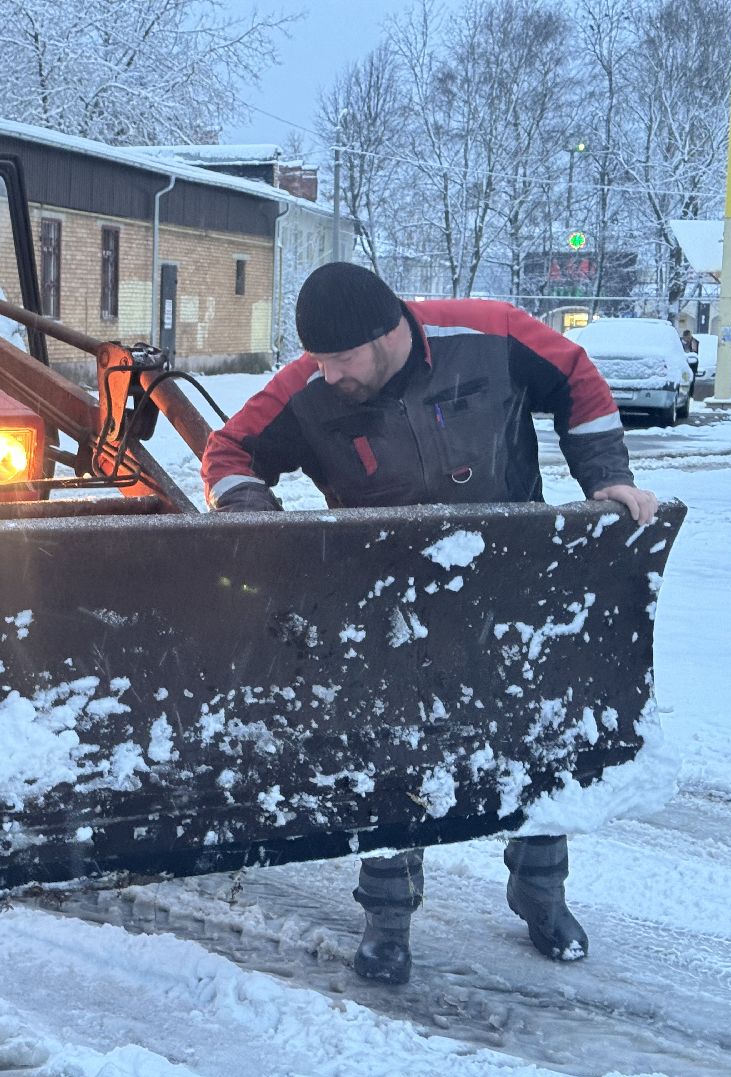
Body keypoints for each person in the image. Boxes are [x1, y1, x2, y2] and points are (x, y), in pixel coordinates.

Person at [201, 262, 658, 985]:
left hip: (511, 583)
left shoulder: (491, 334)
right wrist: (261, 524)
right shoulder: (309, 388)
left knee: (535, 742)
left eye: (341, 358)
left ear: (387, 334)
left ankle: (540, 893)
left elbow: (576, 375)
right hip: (387, 603)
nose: (329, 374)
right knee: (393, 757)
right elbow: (228, 452)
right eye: (317, 359)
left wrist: (605, 476)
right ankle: (387, 921)